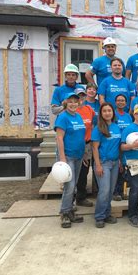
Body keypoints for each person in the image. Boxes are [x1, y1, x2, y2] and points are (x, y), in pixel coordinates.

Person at [54, 92, 86, 228]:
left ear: (79, 103)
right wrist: (62, 158)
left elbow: (80, 137)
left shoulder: (78, 117)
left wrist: (83, 154)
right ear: (65, 103)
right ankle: (65, 213)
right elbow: (59, 138)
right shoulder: (62, 117)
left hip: (78, 155)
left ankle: (70, 210)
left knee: (74, 185)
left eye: (76, 101)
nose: (73, 104)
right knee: (70, 185)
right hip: (67, 156)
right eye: (70, 101)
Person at [91, 103, 122, 228]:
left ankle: (107, 213)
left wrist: (119, 160)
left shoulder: (116, 127)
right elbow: (94, 147)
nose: (107, 113)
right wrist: (98, 165)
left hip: (114, 163)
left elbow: (118, 146)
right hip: (103, 163)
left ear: (112, 113)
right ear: (101, 113)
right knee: (104, 190)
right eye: (105, 111)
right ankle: (99, 216)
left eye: (109, 110)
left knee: (110, 191)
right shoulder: (98, 128)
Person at [74, 87, 95, 208]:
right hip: (75, 145)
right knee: (73, 172)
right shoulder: (71, 112)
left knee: (84, 171)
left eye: (82, 96)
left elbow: (91, 126)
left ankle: (81, 197)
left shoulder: (89, 109)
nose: (80, 99)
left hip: (87, 144)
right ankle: (70, 199)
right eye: (78, 97)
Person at [112, 94, 133, 201]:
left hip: (126, 145)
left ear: (126, 103)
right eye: (118, 100)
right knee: (118, 169)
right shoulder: (113, 114)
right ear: (115, 102)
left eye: (123, 100)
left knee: (124, 170)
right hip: (115, 145)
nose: (121, 102)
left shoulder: (128, 116)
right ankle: (115, 192)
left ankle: (122, 191)